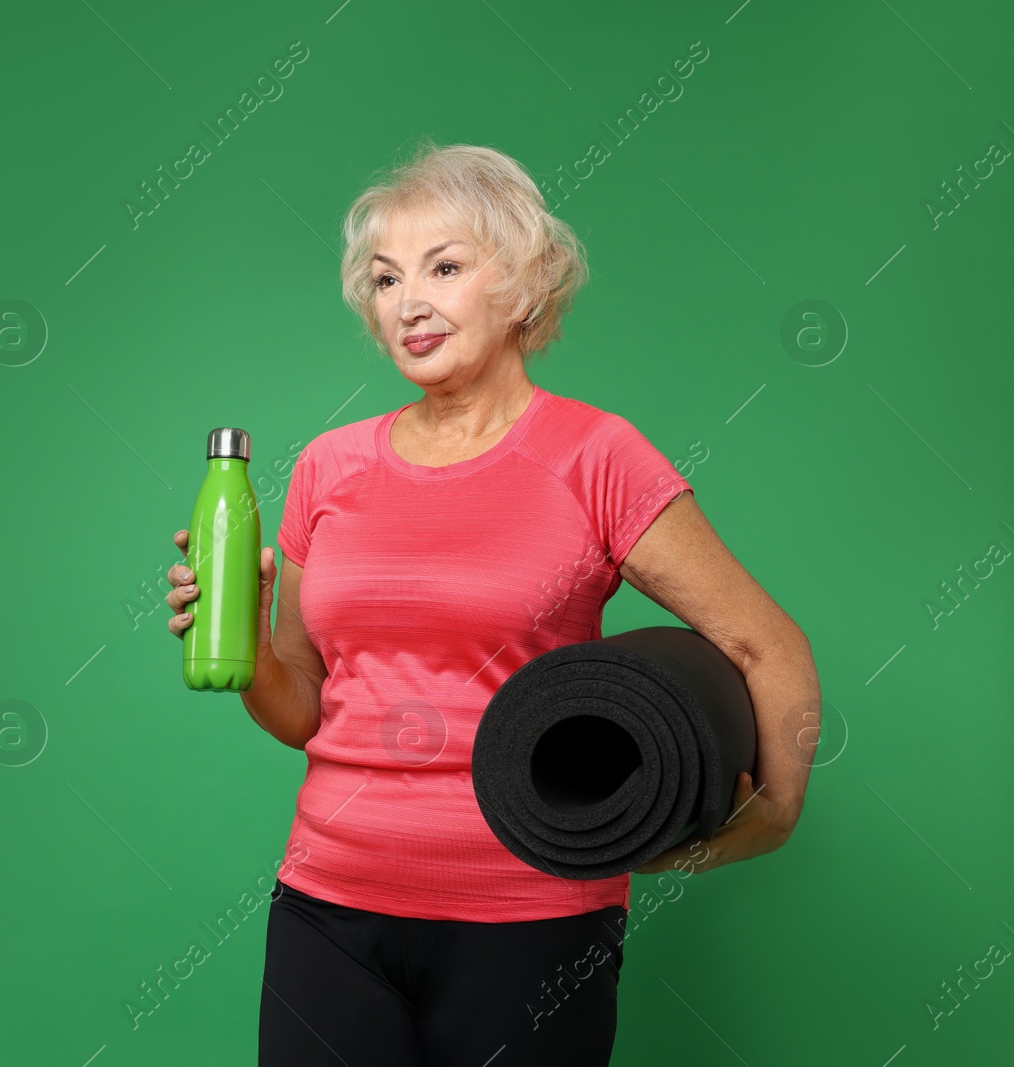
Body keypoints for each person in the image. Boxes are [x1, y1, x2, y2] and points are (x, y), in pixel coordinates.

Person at [166, 141, 820, 1066]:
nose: (409, 302)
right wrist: (249, 652)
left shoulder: (596, 455)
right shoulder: (327, 466)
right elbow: (304, 702)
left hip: (532, 918)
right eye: (386, 279)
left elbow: (764, 642)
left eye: (445, 267)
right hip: (329, 907)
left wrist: (777, 813)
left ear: (522, 282)